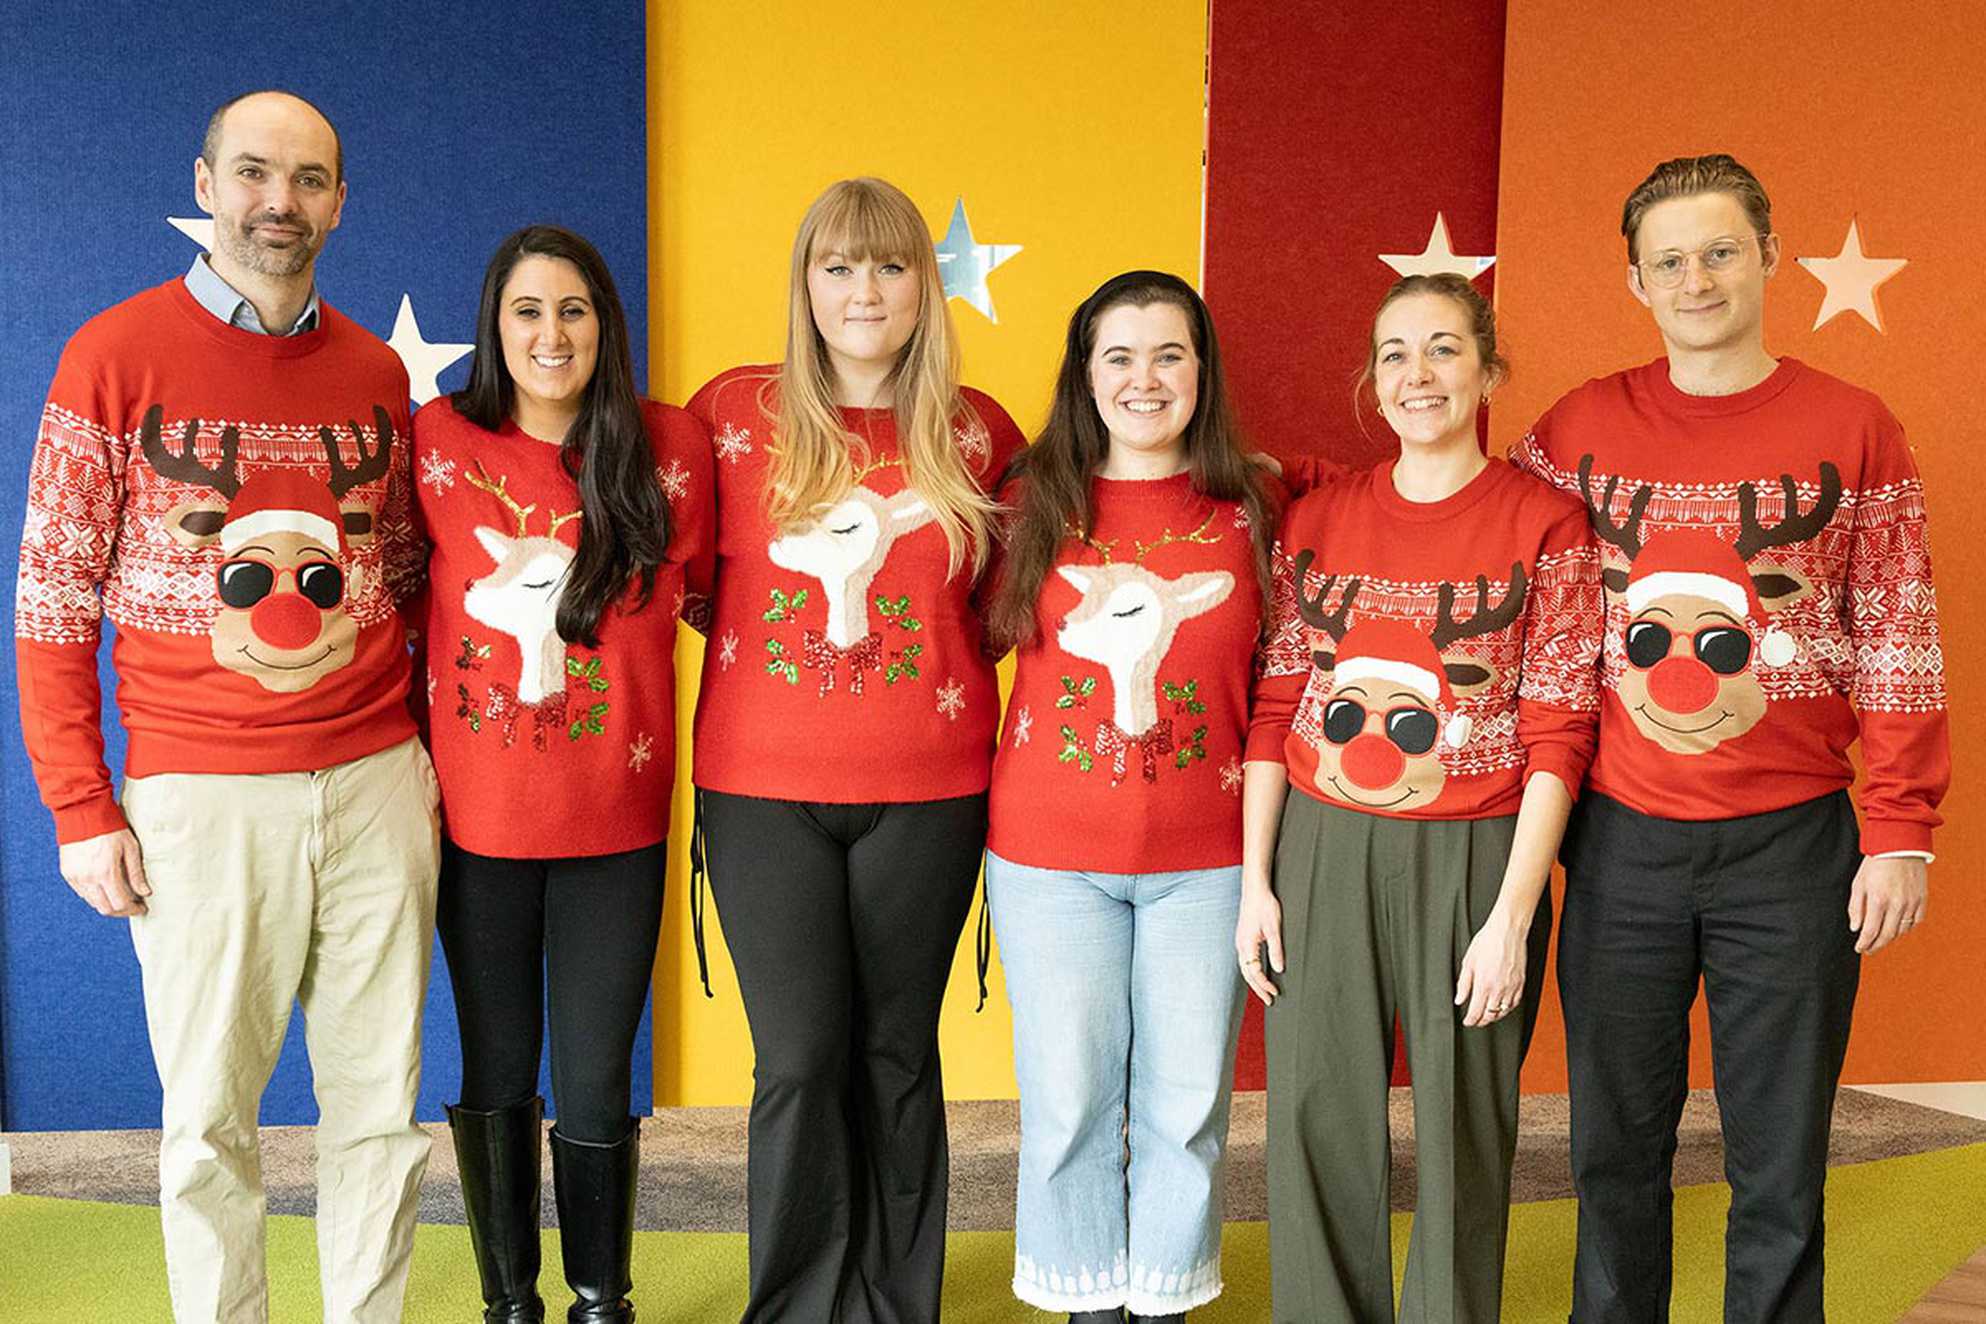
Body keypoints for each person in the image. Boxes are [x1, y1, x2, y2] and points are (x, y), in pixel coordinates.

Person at [14, 91, 435, 1323]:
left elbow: (404, 580)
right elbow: (51, 600)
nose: (279, 203)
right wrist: (81, 805)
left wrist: (426, 768)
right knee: (207, 1122)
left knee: (380, 1115)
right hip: (199, 798)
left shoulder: (372, 376)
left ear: (340, 202)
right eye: (254, 173)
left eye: (308, 181)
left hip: (375, 788)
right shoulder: (113, 355)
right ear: (205, 182)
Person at [1509, 154, 1950, 1324]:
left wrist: (1900, 826)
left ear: (1767, 253)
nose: (1695, 277)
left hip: (1796, 852)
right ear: (1635, 281)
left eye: (1718, 251)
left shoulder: (1855, 428)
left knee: (1780, 1159)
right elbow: (1490, 560)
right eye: (1669, 260)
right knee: (1613, 1152)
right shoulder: (1577, 429)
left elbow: (1899, 625)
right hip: (1619, 848)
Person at [683, 177, 1026, 1321]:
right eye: (837, 266)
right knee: (796, 1058)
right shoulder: (732, 414)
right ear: (805, 285)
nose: (863, 290)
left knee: (894, 1052)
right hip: (760, 790)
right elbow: (691, 588)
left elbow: (1003, 607)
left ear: (924, 287)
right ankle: (792, 1303)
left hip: (930, 791)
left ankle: (891, 1300)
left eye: (887, 266)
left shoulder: (980, 432)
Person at [1240, 273, 1603, 1322]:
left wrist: (1513, 915)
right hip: (1319, 844)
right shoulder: (1315, 519)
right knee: (1315, 1113)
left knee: (1462, 1126)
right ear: (1373, 377)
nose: (1419, 374)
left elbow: (1558, 731)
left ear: (1488, 370)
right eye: (1396, 352)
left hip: (1481, 850)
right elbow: (1274, 704)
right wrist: (1256, 883)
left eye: (1444, 349)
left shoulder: (1547, 524)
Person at [412, 225, 713, 1324]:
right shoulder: (436, 439)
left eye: (575, 310)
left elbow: (723, 606)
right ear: (497, 324)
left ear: (607, 325)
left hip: (617, 826)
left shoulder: (670, 446)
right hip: (476, 826)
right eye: (528, 310)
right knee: (495, 1065)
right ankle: (510, 1303)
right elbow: (397, 608)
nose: (552, 333)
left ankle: (601, 1301)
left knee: (595, 1074)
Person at [980, 271, 1277, 1324]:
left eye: (1169, 355)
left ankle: (1162, 1301)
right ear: (1085, 373)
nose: (1145, 379)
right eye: (1120, 356)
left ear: (1202, 371)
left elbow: (1282, 683)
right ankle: (1085, 1305)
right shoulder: (1026, 500)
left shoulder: (1256, 507)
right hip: (1049, 860)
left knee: (1188, 1103)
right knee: (1068, 1102)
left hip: (1207, 863)